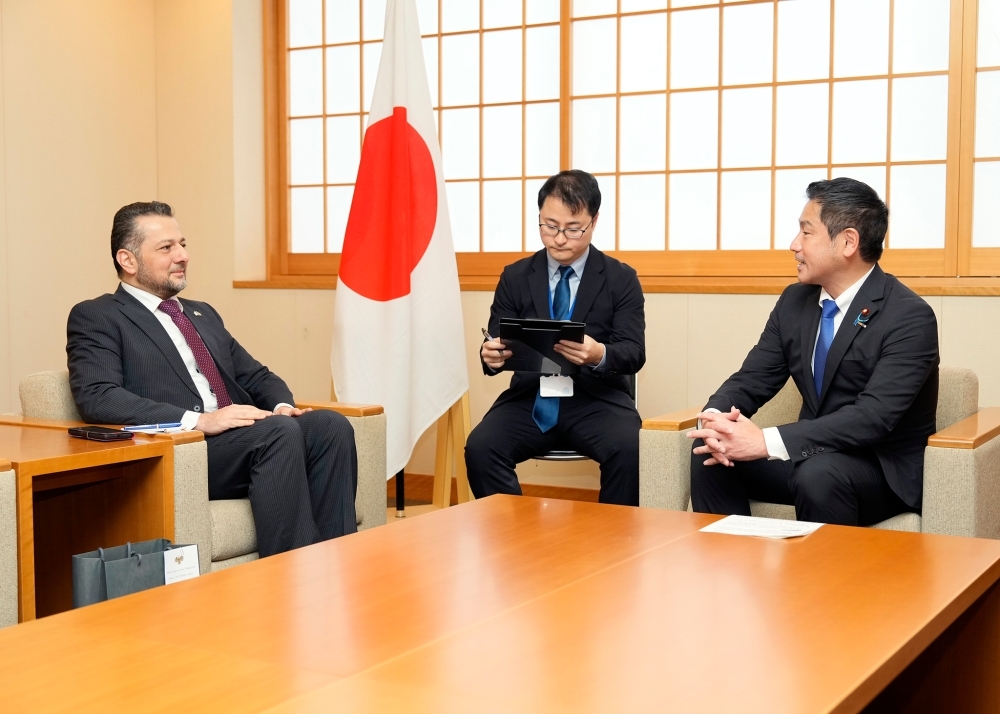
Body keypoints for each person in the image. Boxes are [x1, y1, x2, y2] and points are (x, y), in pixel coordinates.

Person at [67, 201, 358, 557]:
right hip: (184, 448)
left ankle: (337, 564)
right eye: (166, 247)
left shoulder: (201, 313)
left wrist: (283, 406)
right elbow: (98, 396)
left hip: (242, 441)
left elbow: (257, 376)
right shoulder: (98, 316)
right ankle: (291, 579)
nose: (183, 255)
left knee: (330, 425)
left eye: (183, 244)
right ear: (128, 261)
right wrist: (201, 421)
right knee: (276, 434)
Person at [689, 178, 939, 525]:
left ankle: (821, 580)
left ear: (848, 242)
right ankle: (728, 566)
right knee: (710, 453)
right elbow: (753, 378)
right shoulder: (796, 301)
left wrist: (765, 441)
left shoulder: (909, 317)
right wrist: (715, 420)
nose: (794, 245)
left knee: (819, 475)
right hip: (811, 455)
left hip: (877, 468)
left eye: (806, 233)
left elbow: (873, 418)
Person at [465, 170, 645, 506]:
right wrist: (490, 356)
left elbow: (634, 352)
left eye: (573, 228)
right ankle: (515, 541)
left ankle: (616, 545)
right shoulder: (515, 276)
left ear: (594, 221)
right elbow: (498, 340)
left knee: (632, 449)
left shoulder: (620, 279)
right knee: (481, 447)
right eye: (549, 226)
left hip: (597, 399)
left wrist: (598, 354)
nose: (559, 238)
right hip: (531, 397)